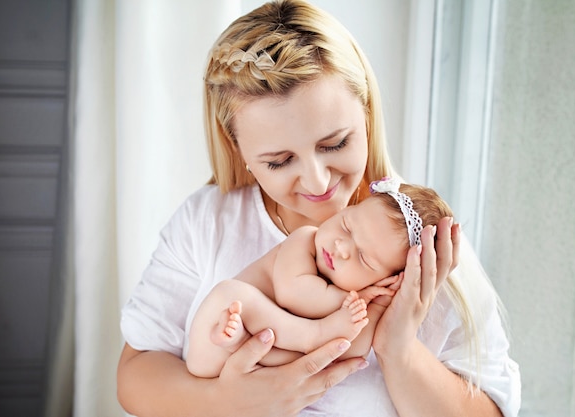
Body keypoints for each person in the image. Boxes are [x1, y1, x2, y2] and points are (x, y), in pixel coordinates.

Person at [117, 1, 521, 416]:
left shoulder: (422, 247)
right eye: (279, 161)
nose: (318, 182)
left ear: (366, 114)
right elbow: (134, 374)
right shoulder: (209, 222)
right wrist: (223, 402)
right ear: (238, 150)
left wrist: (397, 349)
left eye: (335, 144)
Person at [186, 179, 448, 378]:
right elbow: (293, 293)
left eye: (364, 259)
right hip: (210, 344)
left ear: (386, 279)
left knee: (309, 351)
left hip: (254, 371)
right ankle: (243, 337)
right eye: (346, 225)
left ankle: (239, 340)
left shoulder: (358, 298)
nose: (341, 247)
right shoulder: (305, 240)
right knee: (229, 293)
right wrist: (341, 310)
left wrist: (377, 305)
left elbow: (348, 349)